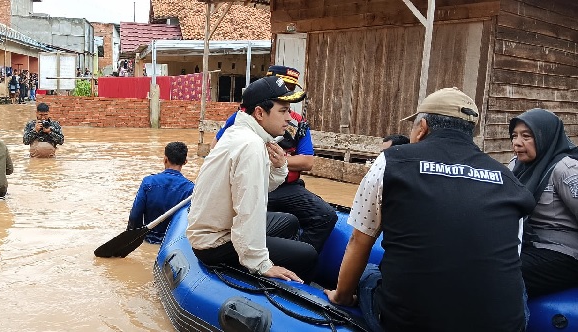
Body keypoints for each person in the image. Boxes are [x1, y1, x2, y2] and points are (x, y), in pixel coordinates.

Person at [324, 88, 536, 332]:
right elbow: (510, 257)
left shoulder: (392, 161)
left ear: (422, 127)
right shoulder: (507, 179)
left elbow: (359, 240)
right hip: (503, 325)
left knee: (370, 273)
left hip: (408, 323)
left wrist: (341, 297)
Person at [187, 76, 318, 283]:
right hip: (215, 243)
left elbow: (263, 187)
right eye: (283, 111)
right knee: (307, 254)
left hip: (222, 227)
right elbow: (249, 208)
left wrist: (279, 166)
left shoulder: (243, 134)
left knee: (290, 222)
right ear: (259, 113)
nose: (289, 119)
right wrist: (260, 263)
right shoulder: (251, 146)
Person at [211, 65, 337, 253]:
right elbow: (217, 148)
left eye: (289, 88)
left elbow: (308, 162)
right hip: (252, 183)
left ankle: (299, 257)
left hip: (285, 186)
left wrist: (281, 160)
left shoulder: (297, 123)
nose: (286, 92)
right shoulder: (243, 117)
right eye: (281, 87)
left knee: (326, 215)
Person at [509, 108, 578, 298]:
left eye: (526, 136)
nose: (517, 143)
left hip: (564, 254)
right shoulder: (516, 166)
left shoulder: (566, 169)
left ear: (545, 137)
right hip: (527, 245)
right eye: (514, 136)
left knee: (502, 273)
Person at [128, 142, 195, 244]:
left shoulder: (148, 182)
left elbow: (135, 216)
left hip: (148, 240)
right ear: (185, 162)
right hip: (171, 245)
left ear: (165, 159)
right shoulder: (191, 189)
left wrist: (132, 239)